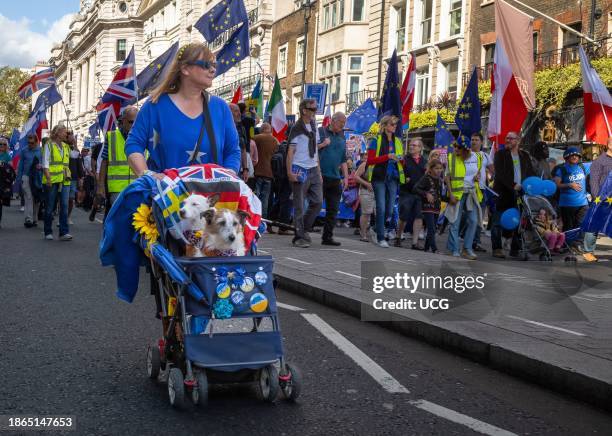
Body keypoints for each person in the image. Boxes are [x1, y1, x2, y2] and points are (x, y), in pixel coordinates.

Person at [125, 43, 241, 180]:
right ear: (185, 69)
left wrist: (228, 177)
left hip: (210, 198)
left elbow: (233, 151)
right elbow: (134, 144)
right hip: (164, 197)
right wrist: (149, 176)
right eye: (206, 65)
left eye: (214, 65)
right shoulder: (154, 105)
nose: (212, 70)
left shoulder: (221, 108)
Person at [286, 98, 325, 248]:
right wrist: (290, 172)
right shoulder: (296, 128)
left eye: (316, 109)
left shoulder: (314, 126)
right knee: (299, 206)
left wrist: (319, 171)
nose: (316, 112)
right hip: (299, 168)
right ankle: (299, 237)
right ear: (304, 111)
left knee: (318, 202)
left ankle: (304, 229)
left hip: (314, 168)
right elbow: (290, 152)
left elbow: (315, 150)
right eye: (313, 109)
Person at [491, 131, 535, 258]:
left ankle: (515, 248)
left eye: (511, 138)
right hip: (503, 193)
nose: (508, 140)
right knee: (497, 222)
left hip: (520, 193)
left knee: (519, 221)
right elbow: (500, 173)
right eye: (506, 138)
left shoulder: (524, 156)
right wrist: (512, 185)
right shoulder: (500, 154)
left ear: (518, 140)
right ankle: (497, 248)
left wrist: (531, 186)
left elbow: (530, 172)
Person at [366, 115, 405, 248]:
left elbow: (402, 161)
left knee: (389, 209)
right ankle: (381, 237)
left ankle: (375, 229)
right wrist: (387, 157)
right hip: (379, 177)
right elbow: (370, 161)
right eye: (392, 124)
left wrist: (400, 159)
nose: (394, 126)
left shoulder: (398, 141)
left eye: (395, 124)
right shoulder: (376, 140)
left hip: (393, 177)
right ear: (384, 126)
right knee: (381, 207)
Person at [444, 135, 483, 260]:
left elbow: (477, 172)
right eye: (455, 147)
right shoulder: (452, 158)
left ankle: (467, 249)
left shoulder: (477, 157)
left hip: (471, 193)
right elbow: (447, 178)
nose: (456, 150)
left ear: (466, 150)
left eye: (459, 148)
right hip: (457, 195)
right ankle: (454, 249)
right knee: (455, 222)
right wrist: (450, 194)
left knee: (473, 221)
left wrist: (477, 177)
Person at [98, 106, 139, 210]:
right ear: (123, 120)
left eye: (136, 122)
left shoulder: (143, 137)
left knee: (135, 221)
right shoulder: (112, 137)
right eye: (130, 122)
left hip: (138, 187)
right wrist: (101, 185)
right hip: (117, 189)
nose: (134, 125)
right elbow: (104, 162)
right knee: (119, 219)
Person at [319, 112, 348, 246]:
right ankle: (302, 232)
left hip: (335, 178)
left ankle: (327, 237)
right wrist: (322, 145)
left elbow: (343, 160)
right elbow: (311, 151)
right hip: (320, 176)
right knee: (315, 205)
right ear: (333, 120)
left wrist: (346, 177)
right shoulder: (321, 133)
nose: (343, 125)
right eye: (341, 122)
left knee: (333, 209)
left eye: (344, 122)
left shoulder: (342, 139)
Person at [553, 147, 589, 250]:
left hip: (583, 203)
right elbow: (557, 184)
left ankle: (577, 244)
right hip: (567, 203)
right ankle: (567, 245)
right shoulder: (561, 169)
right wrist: (570, 185)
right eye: (572, 155)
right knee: (568, 226)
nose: (574, 157)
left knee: (581, 224)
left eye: (576, 155)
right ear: (566, 157)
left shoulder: (582, 167)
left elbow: (598, 164)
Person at [583, 137, 612, 262]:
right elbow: (594, 181)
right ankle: (588, 251)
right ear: (609, 145)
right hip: (602, 199)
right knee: (594, 224)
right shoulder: (599, 161)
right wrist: (597, 198)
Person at [42, 125, 72, 241]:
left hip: (65, 180)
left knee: (64, 206)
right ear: (57, 132)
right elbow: (45, 164)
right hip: (52, 180)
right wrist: (48, 179)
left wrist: (73, 142)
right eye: (65, 132)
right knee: (50, 207)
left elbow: (74, 156)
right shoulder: (48, 145)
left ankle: (63, 232)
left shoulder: (66, 146)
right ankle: (48, 231)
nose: (66, 134)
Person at [395, 138, 426, 249]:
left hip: (419, 193)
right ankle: (398, 237)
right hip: (406, 192)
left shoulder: (424, 161)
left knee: (418, 217)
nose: (411, 147)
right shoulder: (404, 159)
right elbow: (397, 172)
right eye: (411, 145)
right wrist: (402, 179)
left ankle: (414, 242)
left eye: (414, 145)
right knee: (403, 216)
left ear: (420, 148)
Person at [468, 132, 492, 253]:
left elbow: (493, 170)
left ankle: (475, 242)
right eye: (472, 139)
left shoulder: (485, 156)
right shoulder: (466, 154)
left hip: (481, 190)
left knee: (479, 217)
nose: (474, 142)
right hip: (468, 189)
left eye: (476, 140)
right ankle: (466, 238)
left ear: (481, 142)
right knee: (468, 216)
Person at [413, 159, 444, 253]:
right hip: (427, 207)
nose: (439, 170)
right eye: (436, 168)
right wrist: (426, 194)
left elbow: (439, 194)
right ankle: (434, 248)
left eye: (440, 168)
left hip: (436, 207)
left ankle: (426, 248)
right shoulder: (426, 178)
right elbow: (415, 188)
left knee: (433, 227)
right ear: (430, 169)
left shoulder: (439, 180)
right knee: (432, 228)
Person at [253, 122, 279, 220]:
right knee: (265, 199)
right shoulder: (275, 141)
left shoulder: (256, 138)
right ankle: (263, 220)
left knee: (255, 197)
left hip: (257, 172)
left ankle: (254, 219)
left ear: (262, 129)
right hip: (269, 174)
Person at [17, 133, 43, 227]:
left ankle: (35, 218)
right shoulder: (24, 151)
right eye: (28, 142)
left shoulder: (41, 151)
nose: (30, 144)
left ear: (36, 141)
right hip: (26, 177)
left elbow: (45, 164)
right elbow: (20, 166)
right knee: (28, 197)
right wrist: (19, 179)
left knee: (37, 199)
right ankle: (28, 219)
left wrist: (41, 167)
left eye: (32, 143)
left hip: (37, 177)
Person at [353, 155, 374, 242]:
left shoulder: (382, 164)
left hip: (379, 191)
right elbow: (356, 176)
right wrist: (367, 184)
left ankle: (375, 231)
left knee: (380, 212)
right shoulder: (365, 164)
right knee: (366, 213)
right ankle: (363, 234)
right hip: (366, 191)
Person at [66, 130, 83, 225]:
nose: (73, 139)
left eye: (73, 137)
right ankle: (62, 217)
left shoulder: (75, 150)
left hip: (73, 178)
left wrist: (81, 178)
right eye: (71, 137)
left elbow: (79, 164)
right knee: (63, 199)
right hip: (63, 176)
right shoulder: (63, 147)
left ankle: (68, 216)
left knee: (71, 199)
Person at [230, 103, 250, 182]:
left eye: (239, 111)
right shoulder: (220, 127)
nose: (239, 114)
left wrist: (245, 169)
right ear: (229, 113)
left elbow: (243, 149)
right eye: (236, 111)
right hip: (224, 168)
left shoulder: (241, 129)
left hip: (237, 170)